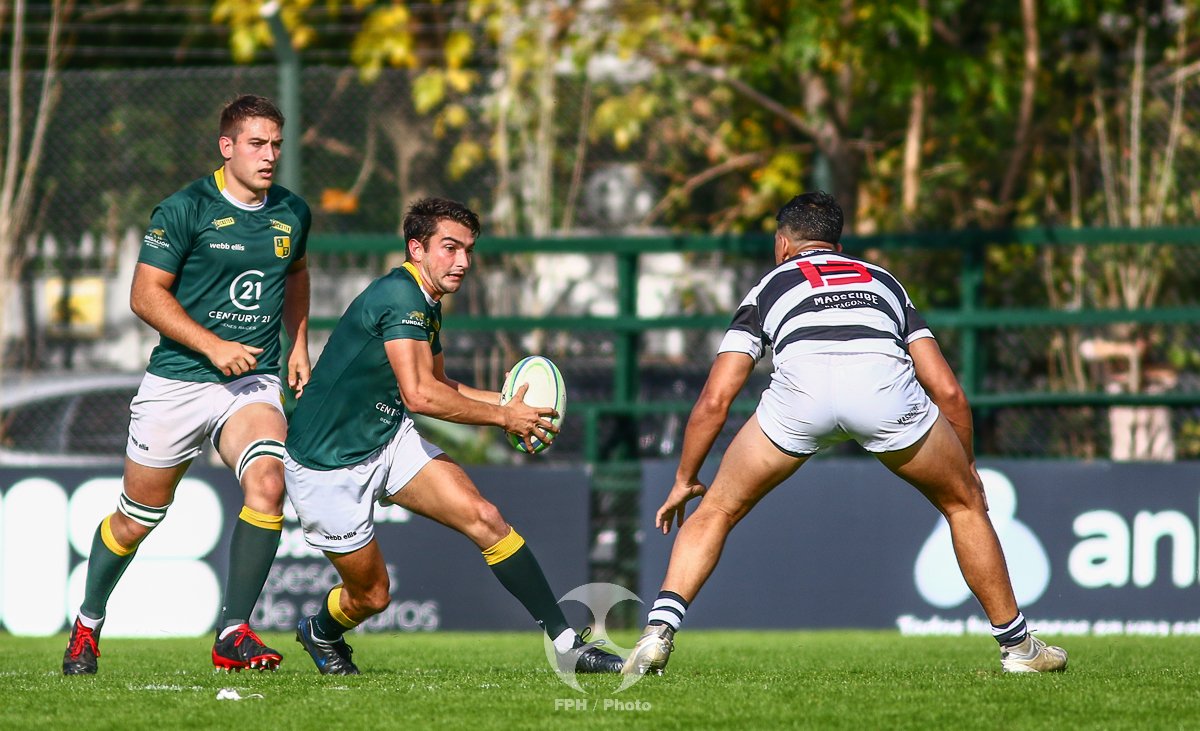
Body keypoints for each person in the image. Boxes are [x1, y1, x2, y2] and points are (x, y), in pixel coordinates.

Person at [622, 192, 1068, 676]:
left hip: (799, 399)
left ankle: (657, 633)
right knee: (964, 506)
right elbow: (949, 392)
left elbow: (714, 400)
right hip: (882, 392)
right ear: (836, 241)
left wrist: (685, 477)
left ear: (783, 243)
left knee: (717, 510)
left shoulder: (769, 286)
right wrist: (967, 465)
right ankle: (1019, 648)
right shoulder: (883, 281)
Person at [284, 197, 623, 676]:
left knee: (485, 518)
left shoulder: (426, 302)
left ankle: (566, 643)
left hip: (386, 438)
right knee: (372, 596)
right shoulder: (398, 297)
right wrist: (505, 419)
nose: (462, 261)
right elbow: (421, 397)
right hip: (327, 463)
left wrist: (510, 405)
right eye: (449, 248)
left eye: (468, 250)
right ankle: (320, 630)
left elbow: (439, 384)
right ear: (416, 249)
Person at [62, 94, 311, 675]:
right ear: (226, 147)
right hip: (178, 383)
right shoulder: (184, 209)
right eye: (256, 143)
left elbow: (296, 273)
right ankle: (88, 624)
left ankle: (233, 631)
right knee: (136, 520)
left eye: (276, 143)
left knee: (269, 484)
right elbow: (145, 295)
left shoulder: (293, 212)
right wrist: (211, 345)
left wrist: (298, 343)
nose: (270, 155)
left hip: (252, 384)